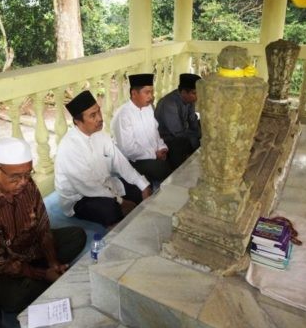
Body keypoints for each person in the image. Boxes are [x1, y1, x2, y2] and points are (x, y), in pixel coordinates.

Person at [0, 137, 86, 313]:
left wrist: (52, 262)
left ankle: (45, 274)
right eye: (15, 177)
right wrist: (43, 273)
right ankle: (41, 278)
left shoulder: (27, 184)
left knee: (76, 236)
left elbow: (43, 227)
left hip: (30, 251)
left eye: (28, 174)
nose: (23, 182)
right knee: (16, 298)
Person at [55, 90, 152, 227]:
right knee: (110, 210)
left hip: (107, 184)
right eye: (92, 115)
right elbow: (89, 187)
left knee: (143, 189)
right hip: (81, 197)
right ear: (78, 121)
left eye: (99, 112)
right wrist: (121, 201)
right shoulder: (69, 147)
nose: (100, 118)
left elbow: (121, 164)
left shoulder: (100, 135)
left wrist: (143, 184)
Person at [111, 73, 172, 182]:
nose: (151, 96)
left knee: (174, 151)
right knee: (162, 170)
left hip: (153, 154)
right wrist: (154, 154)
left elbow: (155, 132)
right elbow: (128, 150)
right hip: (134, 160)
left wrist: (161, 147)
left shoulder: (148, 107)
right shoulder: (123, 115)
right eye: (147, 92)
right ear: (134, 93)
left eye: (152, 92)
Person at [155, 73, 202, 170]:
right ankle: (178, 172)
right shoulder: (169, 104)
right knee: (181, 142)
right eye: (194, 93)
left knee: (203, 126)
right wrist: (196, 140)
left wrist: (201, 133)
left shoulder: (189, 100)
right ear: (184, 92)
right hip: (166, 139)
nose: (197, 96)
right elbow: (178, 133)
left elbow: (192, 119)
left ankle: (197, 157)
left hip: (183, 132)